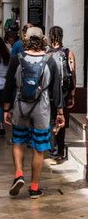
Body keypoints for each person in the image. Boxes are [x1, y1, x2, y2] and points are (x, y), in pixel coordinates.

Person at [4, 27, 64, 199]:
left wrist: (6, 109)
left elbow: (9, 85)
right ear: (43, 40)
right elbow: (56, 89)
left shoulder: (17, 59)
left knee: (18, 141)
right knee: (38, 148)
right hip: (42, 109)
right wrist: (59, 112)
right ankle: (35, 188)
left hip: (20, 106)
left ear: (26, 39)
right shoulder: (49, 60)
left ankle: (18, 174)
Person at [47, 26, 76, 164]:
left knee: (52, 122)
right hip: (63, 93)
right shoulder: (68, 53)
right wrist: (73, 95)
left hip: (48, 94)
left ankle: (53, 154)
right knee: (61, 120)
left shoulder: (46, 53)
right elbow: (73, 74)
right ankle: (59, 151)